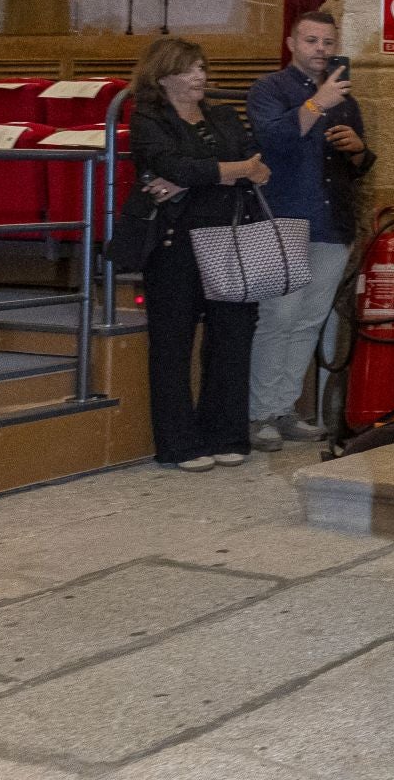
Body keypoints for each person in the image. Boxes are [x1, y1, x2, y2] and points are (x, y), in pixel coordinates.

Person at [127, 37, 271, 472]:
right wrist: (228, 171)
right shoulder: (148, 119)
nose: (200, 77)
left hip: (230, 242)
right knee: (172, 346)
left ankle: (226, 434)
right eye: (189, 69)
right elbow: (176, 168)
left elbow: (259, 169)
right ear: (163, 74)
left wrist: (202, 177)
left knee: (233, 338)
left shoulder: (223, 115)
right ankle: (179, 444)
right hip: (175, 245)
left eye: (202, 68)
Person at [244, 10, 375, 448]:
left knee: (309, 321)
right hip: (280, 216)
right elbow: (273, 140)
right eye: (311, 41)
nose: (321, 50)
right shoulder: (269, 89)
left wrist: (358, 150)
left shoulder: (346, 98)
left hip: (331, 221)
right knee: (277, 317)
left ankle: (283, 409)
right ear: (291, 43)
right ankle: (259, 414)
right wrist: (318, 102)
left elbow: (355, 167)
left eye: (327, 42)